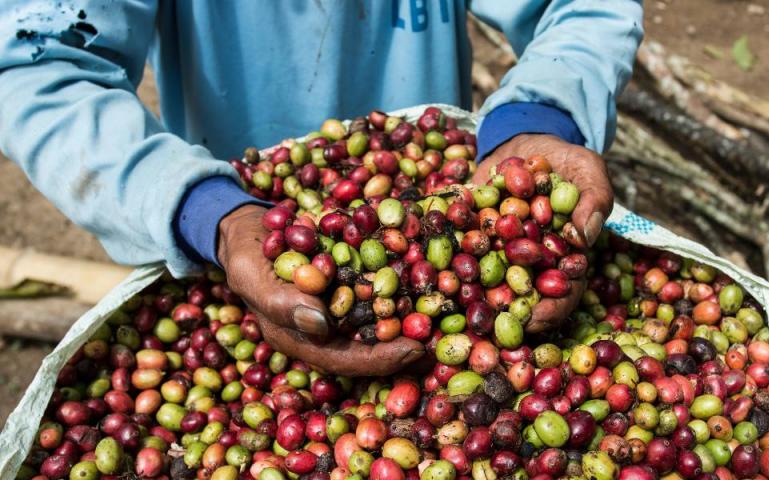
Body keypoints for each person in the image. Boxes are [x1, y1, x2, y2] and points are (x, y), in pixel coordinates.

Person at [0, 1, 643, 376]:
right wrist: (208, 213)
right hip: (233, 237)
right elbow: (34, 65)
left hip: (451, 177)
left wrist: (540, 117)